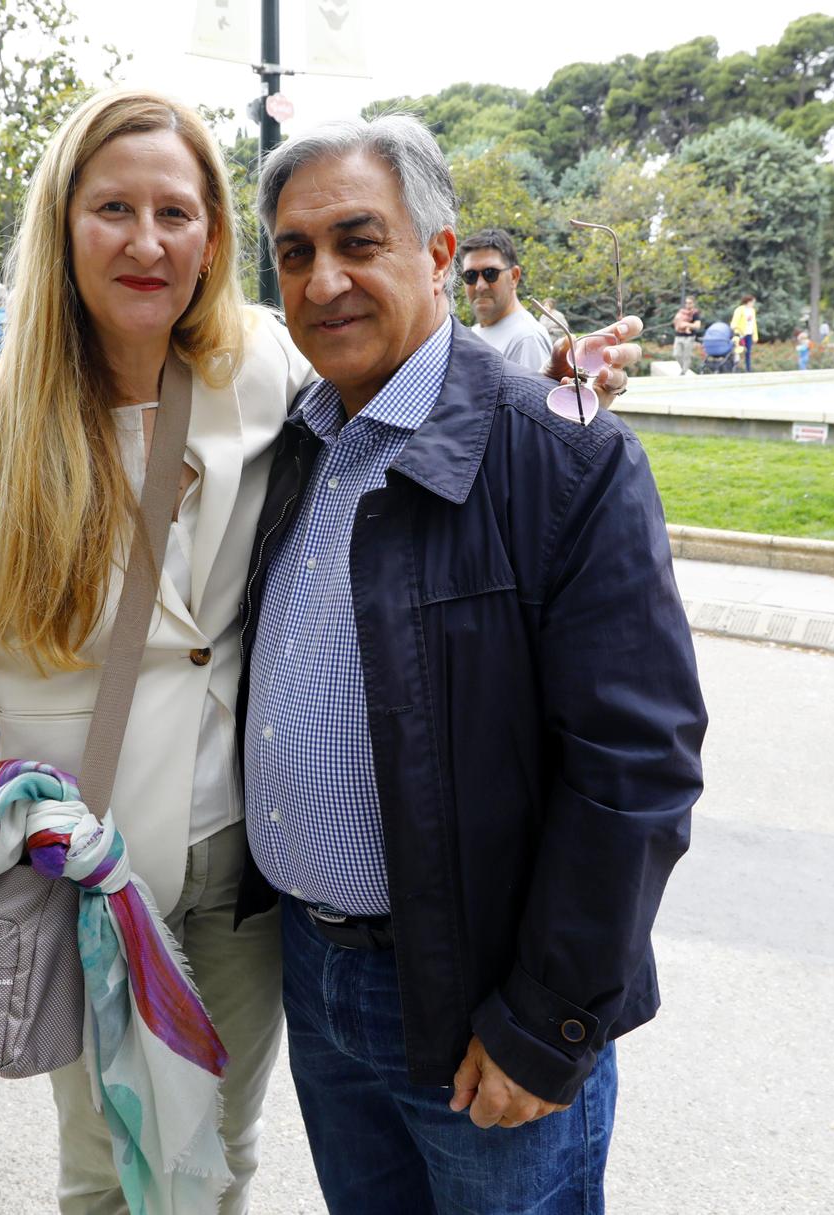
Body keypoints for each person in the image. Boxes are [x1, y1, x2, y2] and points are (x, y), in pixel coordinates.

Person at [0, 87, 323, 1215]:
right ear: (60, 224)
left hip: (242, 870)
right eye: (112, 209)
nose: (146, 242)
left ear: (212, 235)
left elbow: (410, 392)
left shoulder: (263, 370)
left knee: (222, 1152)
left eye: (175, 213)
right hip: (89, 872)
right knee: (105, 1165)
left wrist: (562, 389)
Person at [243, 114, 689, 1214]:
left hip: (480, 996)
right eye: (294, 254)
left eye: (358, 241)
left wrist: (546, 1019)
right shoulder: (300, 444)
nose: (324, 280)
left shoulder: (564, 455)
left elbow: (633, 766)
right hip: (317, 972)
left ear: (439, 255)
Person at [455, 228, 549, 372]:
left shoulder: (526, 339)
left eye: (490, 273)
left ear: (514, 276)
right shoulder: (473, 334)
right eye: (470, 275)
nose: (480, 286)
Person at [730, 293, 759, 373]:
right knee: (737, 351)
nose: (753, 304)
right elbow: (734, 322)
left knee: (748, 352)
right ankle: (735, 368)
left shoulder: (752, 311)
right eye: (752, 302)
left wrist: (755, 336)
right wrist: (737, 330)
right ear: (748, 302)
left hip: (749, 334)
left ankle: (748, 369)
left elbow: (754, 323)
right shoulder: (739, 310)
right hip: (740, 334)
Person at [672, 295, 703, 370]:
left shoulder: (695, 313)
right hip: (679, 335)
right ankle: (683, 368)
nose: (688, 305)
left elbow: (697, 325)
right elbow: (675, 322)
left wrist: (686, 324)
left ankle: (684, 372)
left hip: (689, 337)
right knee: (676, 354)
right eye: (686, 303)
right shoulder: (681, 312)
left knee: (686, 356)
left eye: (690, 303)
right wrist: (678, 323)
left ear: (693, 303)